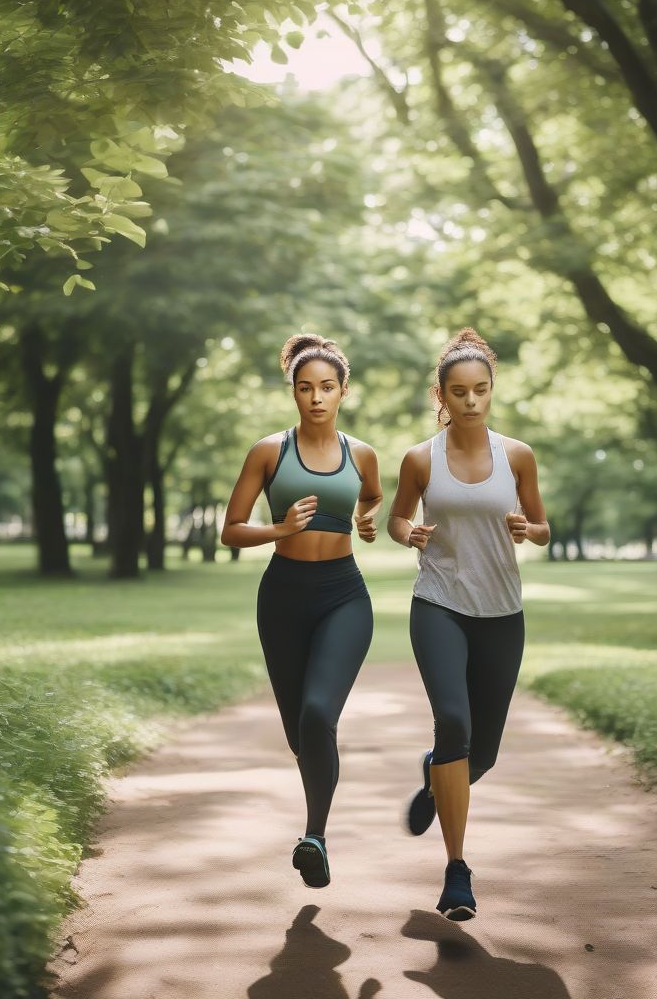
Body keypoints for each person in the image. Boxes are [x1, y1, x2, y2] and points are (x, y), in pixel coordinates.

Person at [387, 327, 549, 920]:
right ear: (442, 395)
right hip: (439, 604)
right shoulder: (420, 458)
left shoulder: (519, 455)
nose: (471, 401)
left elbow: (542, 525)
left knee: (482, 755)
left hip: (502, 613)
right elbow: (399, 518)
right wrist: (411, 534)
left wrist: (530, 532)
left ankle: (437, 781)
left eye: (480, 390)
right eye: (459, 392)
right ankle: (457, 871)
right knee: (453, 723)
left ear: (491, 390)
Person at [222, 333, 382, 889]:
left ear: (343, 391)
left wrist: (363, 520)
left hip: (344, 595)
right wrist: (280, 529)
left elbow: (372, 496)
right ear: (292, 391)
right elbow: (231, 530)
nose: (316, 397)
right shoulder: (269, 451)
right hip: (283, 596)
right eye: (305, 387)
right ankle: (316, 821)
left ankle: (315, 835)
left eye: (327, 387)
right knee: (300, 734)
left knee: (319, 714)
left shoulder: (361, 454)